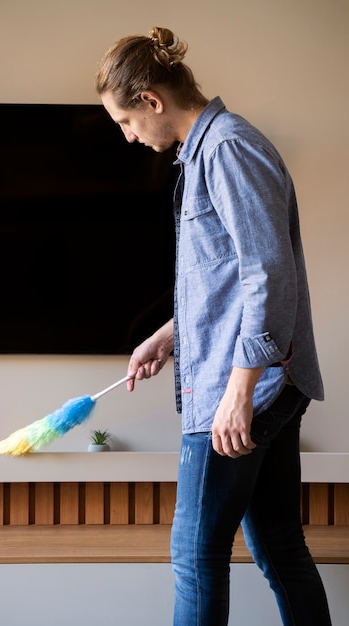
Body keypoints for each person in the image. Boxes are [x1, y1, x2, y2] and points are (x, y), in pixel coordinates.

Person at [96, 26, 332, 626]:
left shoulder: (227, 148)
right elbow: (226, 280)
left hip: (244, 391)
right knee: (279, 545)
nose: (127, 136)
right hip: (261, 384)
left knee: (195, 557)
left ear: (151, 99)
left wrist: (238, 391)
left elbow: (267, 274)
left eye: (125, 121)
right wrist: (169, 335)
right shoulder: (212, 151)